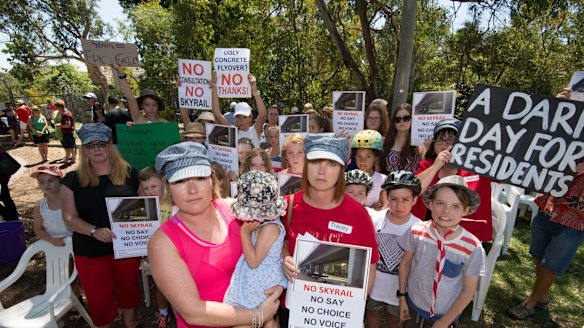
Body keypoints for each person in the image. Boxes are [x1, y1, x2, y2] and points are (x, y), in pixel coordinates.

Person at [148, 142, 282, 328]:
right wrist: (258, 315)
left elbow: (274, 236)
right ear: (168, 187)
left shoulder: (236, 210)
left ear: (212, 180)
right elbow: (193, 313)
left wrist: (284, 268)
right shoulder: (163, 243)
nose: (192, 189)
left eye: (200, 178)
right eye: (180, 181)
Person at [280, 133, 380, 326]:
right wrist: (285, 257)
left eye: (331, 164)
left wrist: (352, 309)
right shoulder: (287, 206)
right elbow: (276, 246)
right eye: (316, 162)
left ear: (342, 168)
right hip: (295, 311)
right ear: (307, 164)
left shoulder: (357, 214)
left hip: (337, 315)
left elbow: (369, 265)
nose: (322, 171)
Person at [506, 88, 584, 321]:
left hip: (576, 213)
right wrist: (557, 104)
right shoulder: (572, 114)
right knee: (539, 253)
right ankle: (542, 296)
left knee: (552, 261)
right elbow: (542, 132)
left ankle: (530, 304)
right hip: (551, 199)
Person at [61, 123, 141, 328]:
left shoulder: (131, 174)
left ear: (110, 145)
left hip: (126, 247)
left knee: (129, 288)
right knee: (97, 297)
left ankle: (130, 321)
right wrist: (94, 231)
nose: (96, 149)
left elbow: (145, 206)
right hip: (89, 250)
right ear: (84, 149)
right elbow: (69, 217)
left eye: (101, 144)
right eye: (90, 145)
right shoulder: (72, 180)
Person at [398, 175, 485, 328]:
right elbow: (405, 264)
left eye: (455, 206)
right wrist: (402, 297)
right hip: (413, 303)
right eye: (440, 203)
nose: (446, 211)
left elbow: (468, 291)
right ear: (430, 204)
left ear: (466, 210)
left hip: (446, 313)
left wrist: (444, 322)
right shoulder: (416, 231)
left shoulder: (472, 247)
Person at [223, 171, 288, 328]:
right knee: (265, 321)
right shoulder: (263, 224)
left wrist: (245, 233)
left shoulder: (270, 228)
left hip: (261, 280)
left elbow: (253, 261)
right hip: (256, 277)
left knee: (246, 321)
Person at [413, 118, 493, 242]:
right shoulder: (427, 166)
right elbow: (413, 189)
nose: (444, 145)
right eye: (439, 140)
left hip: (466, 238)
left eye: (450, 140)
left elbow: (507, 175)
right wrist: (436, 166)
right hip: (428, 235)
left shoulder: (477, 168)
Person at [366, 171, 422, 328]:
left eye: (406, 200)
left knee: (395, 319)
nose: (399, 205)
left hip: (399, 290)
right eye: (393, 199)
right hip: (375, 285)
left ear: (415, 200)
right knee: (373, 313)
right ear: (386, 198)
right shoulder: (375, 219)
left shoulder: (418, 227)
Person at [138, 167, 173, 327]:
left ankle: (180, 311)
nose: (149, 191)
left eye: (153, 187)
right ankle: (164, 312)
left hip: (176, 252)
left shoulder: (173, 202)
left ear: (163, 184)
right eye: (145, 188)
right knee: (161, 284)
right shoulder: (141, 206)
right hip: (155, 255)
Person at [210, 72, 267, 147]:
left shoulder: (254, 131)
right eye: (238, 117)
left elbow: (262, 114)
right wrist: (214, 88)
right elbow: (217, 114)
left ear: (250, 118)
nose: (241, 120)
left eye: (244, 117)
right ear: (235, 118)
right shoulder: (232, 132)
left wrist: (254, 90)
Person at [351, 129, 387, 209]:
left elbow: (384, 206)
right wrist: (370, 208)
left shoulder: (382, 180)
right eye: (359, 156)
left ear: (375, 158)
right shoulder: (347, 178)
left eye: (368, 157)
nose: (362, 161)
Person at [380, 103, 420, 174]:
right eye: (397, 119)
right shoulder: (384, 142)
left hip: (411, 183)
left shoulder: (419, 143)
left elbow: (424, 167)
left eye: (406, 118)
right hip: (388, 182)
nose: (401, 122)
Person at [54, 100, 77, 166]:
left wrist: (59, 125)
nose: (56, 109)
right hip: (65, 133)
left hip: (68, 133)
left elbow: (68, 125)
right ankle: (66, 159)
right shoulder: (64, 112)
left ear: (60, 107)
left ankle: (73, 159)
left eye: (57, 107)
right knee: (67, 147)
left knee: (71, 146)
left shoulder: (65, 114)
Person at [0, 145, 18, 221]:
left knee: (5, 197)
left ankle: (11, 218)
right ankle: (12, 218)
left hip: (2, 175)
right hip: (3, 176)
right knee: (6, 197)